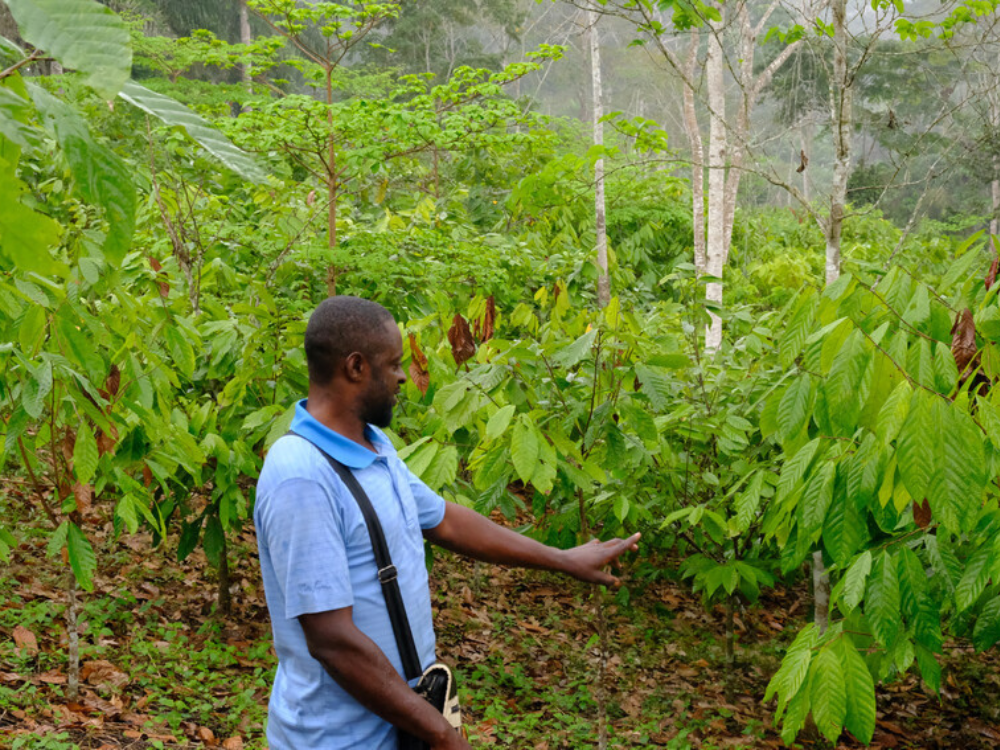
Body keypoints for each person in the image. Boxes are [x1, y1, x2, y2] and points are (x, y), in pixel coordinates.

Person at [254, 296, 640, 750]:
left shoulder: (375, 448)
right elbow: (331, 639)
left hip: (399, 725)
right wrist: (440, 732)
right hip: (336, 738)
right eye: (394, 364)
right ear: (355, 367)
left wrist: (564, 559)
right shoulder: (302, 475)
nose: (403, 376)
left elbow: (447, 521)